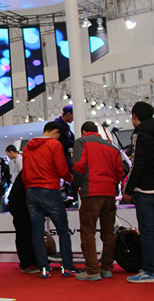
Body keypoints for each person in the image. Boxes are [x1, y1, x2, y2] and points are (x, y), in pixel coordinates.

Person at [22, 121, 76, 278]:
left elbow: (24, 173)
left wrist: (28, 189)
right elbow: (62, 168)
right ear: (56, 132)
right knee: (63, 230)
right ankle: (67, 267)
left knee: (37, 232)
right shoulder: (54, 144)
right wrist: (71, 179)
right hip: (49, 189)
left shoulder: (27, 147)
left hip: (31, 190)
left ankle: (44, 269)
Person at [72, 121, 124, 281]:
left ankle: (92, 270)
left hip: (91, 191)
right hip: (109, 193)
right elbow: (120, 172)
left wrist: (77, 183)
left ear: (83, 131)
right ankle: (107, 268)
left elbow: (79, 166)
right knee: (108, 233)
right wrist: (110, 184)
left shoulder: (81, 142)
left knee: (88, 231)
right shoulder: (112, 147)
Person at [122, 101, 154, 283]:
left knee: (148, 232)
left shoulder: (139, 134)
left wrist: (128, 189)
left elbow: (136, 165)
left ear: (134, 116)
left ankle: (150, 271)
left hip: (145, 191)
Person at [8, 171, 39, 273]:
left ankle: (33, 261)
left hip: (24, 202)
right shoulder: (29, 171)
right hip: (20, 203)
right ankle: (26, 263)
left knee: (30, 232)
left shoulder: (30, 169)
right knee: (24, 232)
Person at [54, 105, 75, 170]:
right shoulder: (58, 125)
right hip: (61, 154)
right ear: (68, 114)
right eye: (73, 116)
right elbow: (64, 141)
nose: (73, 118)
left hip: (65, 153)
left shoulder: (67, 126)